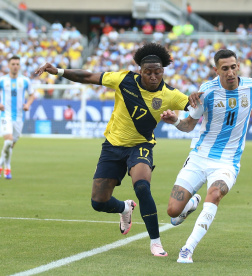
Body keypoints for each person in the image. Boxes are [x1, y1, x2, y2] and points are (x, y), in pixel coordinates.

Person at [35, 43, 192, 257]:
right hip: (112, 146)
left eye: (158, 72)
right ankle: (124, 208)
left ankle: (155, 242)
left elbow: (195, 112)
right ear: (140, 71)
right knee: (98, 202)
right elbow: (88, 76)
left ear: (163, 71)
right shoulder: (123, 80)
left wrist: (186, 111)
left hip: (141, 146)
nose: (153, 76)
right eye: (148, 72)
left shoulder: (171, 95)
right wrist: (59, 71)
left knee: (143, 188)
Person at [160, 49, 252, 263]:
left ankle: (187, 249)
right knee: (172, 211)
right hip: (200, 157)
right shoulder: (206, 92)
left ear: (238, 66)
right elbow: (188, 126)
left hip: (228, 161)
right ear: (216, 70)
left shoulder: (251, 86)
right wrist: (173, 120)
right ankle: (189, 206)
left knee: (215, 194)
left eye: (233, 66)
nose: (230, 72)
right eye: (225, 68)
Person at [0, 56, 35, 179]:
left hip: (19, 117)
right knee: (8, 140)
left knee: (11, 145)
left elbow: (32, 95)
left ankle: (5, 166)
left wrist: (28, 104)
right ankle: (4, 166)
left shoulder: (25, 81)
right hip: (5, 115)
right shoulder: (2, 80)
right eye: (13, 64)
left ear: (19, 66)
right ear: (9, 65)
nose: (15, 66)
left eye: (17, 64)